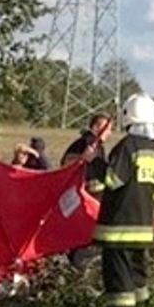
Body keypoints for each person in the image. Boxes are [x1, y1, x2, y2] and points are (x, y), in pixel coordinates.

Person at [90, 94, 154, 307]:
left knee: (120, 284)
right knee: (138, 281)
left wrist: (95, 162)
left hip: (118, 227)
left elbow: (113, 180)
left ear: (128, 116)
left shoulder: (127, 146)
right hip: (143, 228)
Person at [63, 113, 113, 270]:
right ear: (97, 127)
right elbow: (68, 163)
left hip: (93, 199)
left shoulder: (95, 145)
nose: (110, 133)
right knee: (84, 241)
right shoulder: (86, 144)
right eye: (108, 129)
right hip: (86, 201)